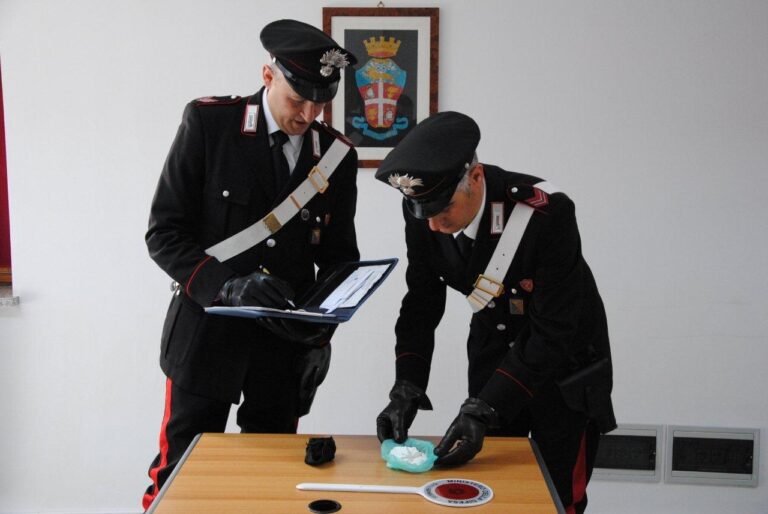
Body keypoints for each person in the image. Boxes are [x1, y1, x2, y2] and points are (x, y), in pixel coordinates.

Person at [141, 19, 359, 510]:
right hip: (204, 338)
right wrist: (227, 288)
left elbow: (340, 257)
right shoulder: (209, 125)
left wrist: (322, 328)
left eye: (320, 102)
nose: (307, 114)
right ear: (268, 75)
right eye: (296, 98)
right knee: (181, 478)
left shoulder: (336, 157)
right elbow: (164, 233)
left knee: (272, 482)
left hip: (283, 354)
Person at [374, 111, 615, 513]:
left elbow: (555, 329)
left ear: (476, 177)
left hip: (566, 370)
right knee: (491, 494)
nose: (433, 225)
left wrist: (485, 408)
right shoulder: (425, 210)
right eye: (424, 212)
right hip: (495, 357)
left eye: (443, 209)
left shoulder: (544, 213)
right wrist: (407, 384)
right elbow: (421, 300)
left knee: (557, 498)